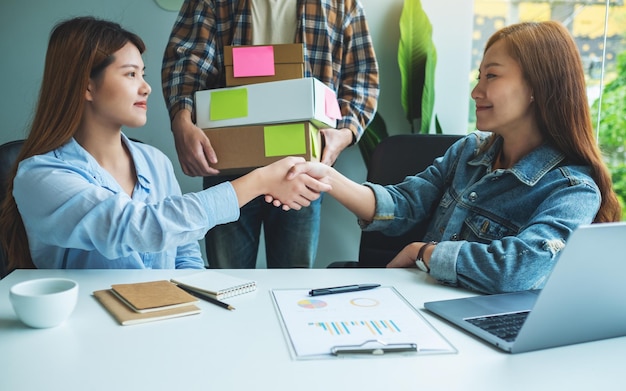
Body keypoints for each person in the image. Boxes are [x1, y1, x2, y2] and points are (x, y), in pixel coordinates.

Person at [282, 21, 622, 294]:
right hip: (425, 303)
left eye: (492, 75)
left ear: (537, 86)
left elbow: (516, 270)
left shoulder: (573, 190)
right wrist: (325, 176)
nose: (476, 92)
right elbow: (403, 205)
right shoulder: (469, 151)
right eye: (479, 77)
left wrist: (423, 253)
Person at [0, 16, 330, 274]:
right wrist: (257, 181)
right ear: (87, 85)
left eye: (143, 75)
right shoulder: (40, 175)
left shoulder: (154, 161)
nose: (146, 88)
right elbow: (137, 227)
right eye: (130, 75)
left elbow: (185, 255)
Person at [161, 0, 379, 268]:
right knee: (228, 281)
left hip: (302, 165)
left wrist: (344, 134)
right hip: (229, 162)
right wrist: (181, 121)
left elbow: (362, 78)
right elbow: (186, 62)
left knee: (293, 285)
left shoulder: (341, 4)